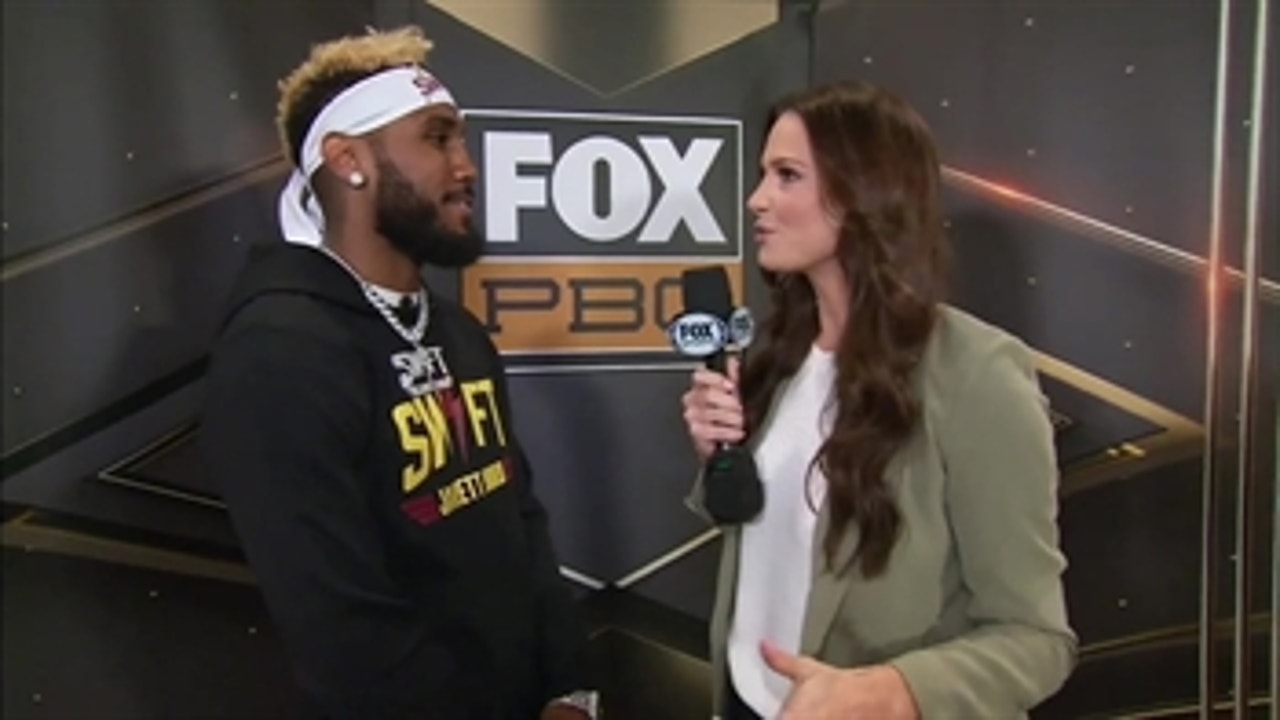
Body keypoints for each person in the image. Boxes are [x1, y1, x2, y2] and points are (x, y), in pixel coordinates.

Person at [199, 26, 598, 720]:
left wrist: (569, 689)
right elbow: (341, 629)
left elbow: (520, 521)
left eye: (461, 140)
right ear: (349, 159)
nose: (466, 165)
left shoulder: (460, 334)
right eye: (438, 138)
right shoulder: (279, 351)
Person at [680, 79, 1077, 719]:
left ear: (862, 193)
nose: (756, 200)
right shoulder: (777, 356)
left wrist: (890, 691)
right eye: (763, 175)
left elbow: (1037, 639)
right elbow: (768, 541)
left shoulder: (977, 374)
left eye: (787, 176)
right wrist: (718, 459)